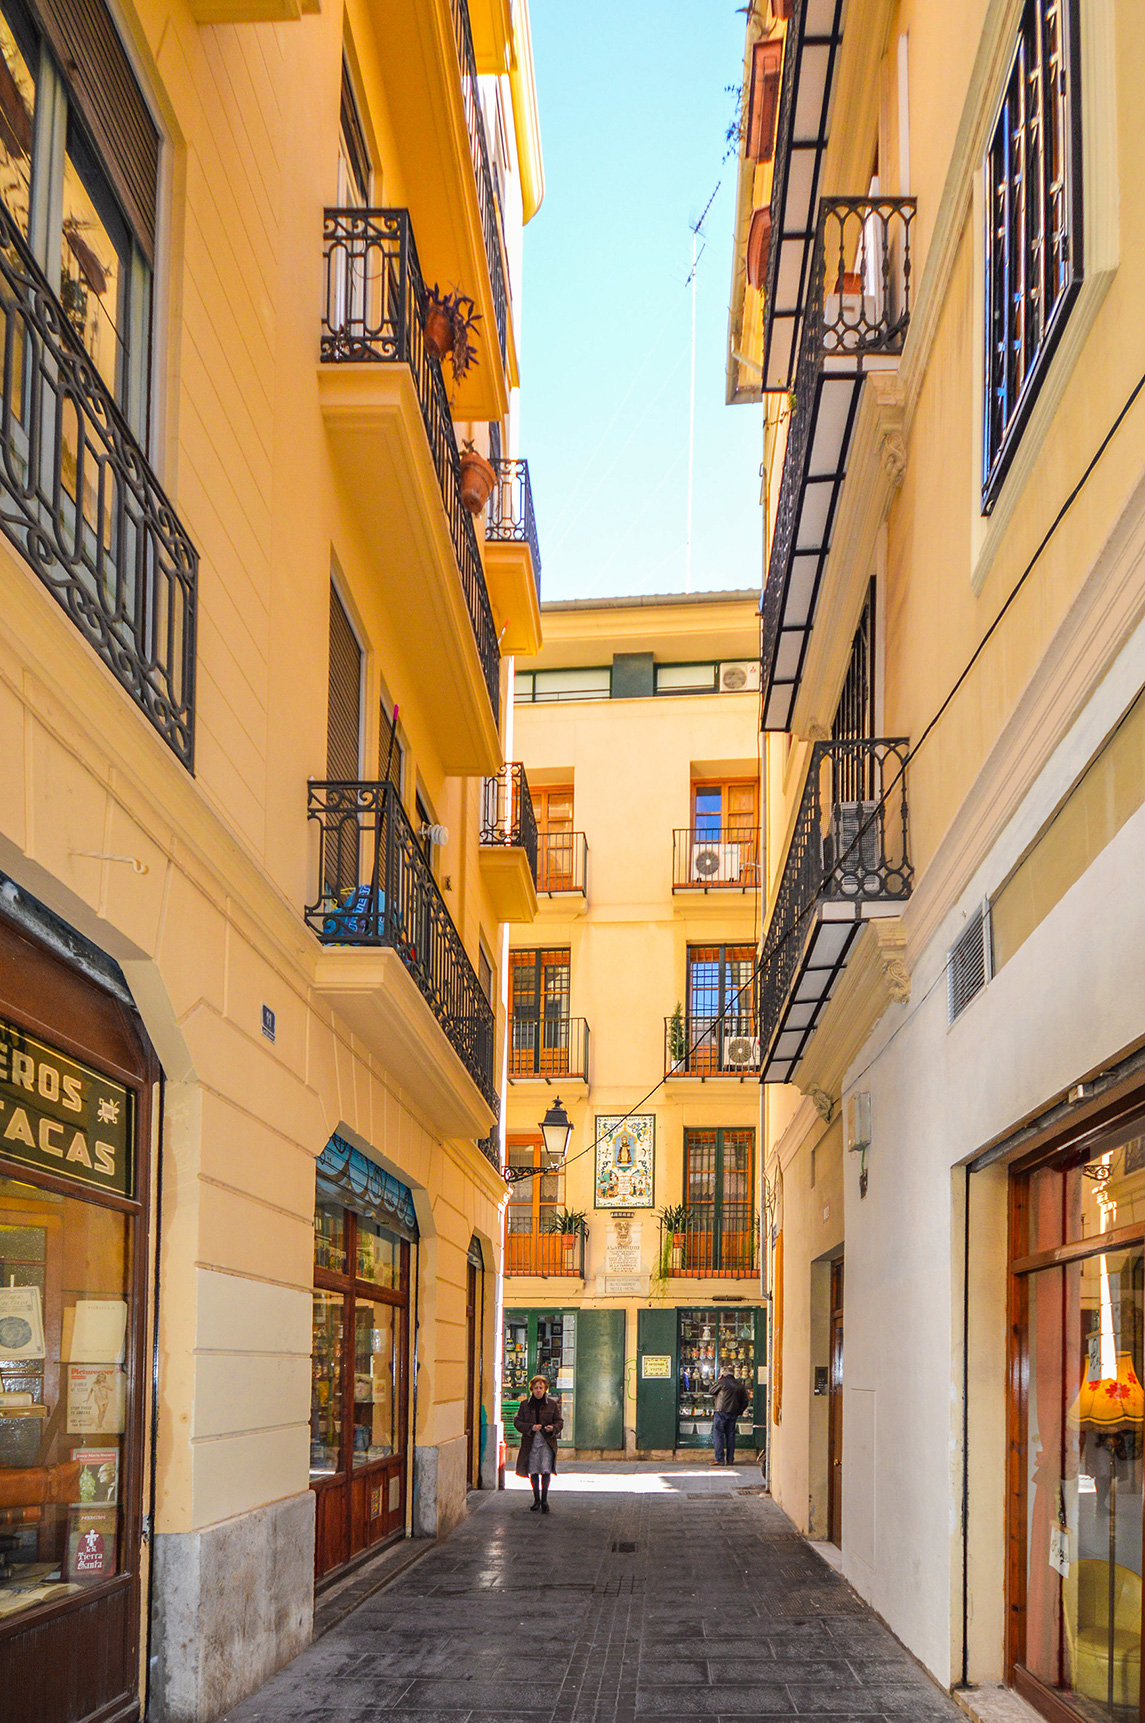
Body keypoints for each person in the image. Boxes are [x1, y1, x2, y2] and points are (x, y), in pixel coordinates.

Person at [514, 1374, 563, 1512]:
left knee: (546, 1470)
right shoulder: (525, 1404)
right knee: (534, 1470)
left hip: (546, 1442)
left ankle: (544, 1500)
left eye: (541, 1388)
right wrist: (530, 1427)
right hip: (531, 1442)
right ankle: (536, 1499)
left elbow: (559, 1421)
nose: (538, 1390)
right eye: (536, 1388)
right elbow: (517, 1422)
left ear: (545, 1389)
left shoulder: (552, 1404)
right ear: (532, 1389)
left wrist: (553, 1428)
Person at [712, 1367, 750, 1466]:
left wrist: (719, 1379)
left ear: (724, 1373)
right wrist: (739, 1411)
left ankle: (720, 1459)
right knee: (730, 1436)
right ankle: (730, 1459)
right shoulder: (739, 1384)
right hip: (733, 1412)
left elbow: (711, 1391)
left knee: (718, 1435)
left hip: (721, 1411)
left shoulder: (722, 1382)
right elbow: (745, 1401)